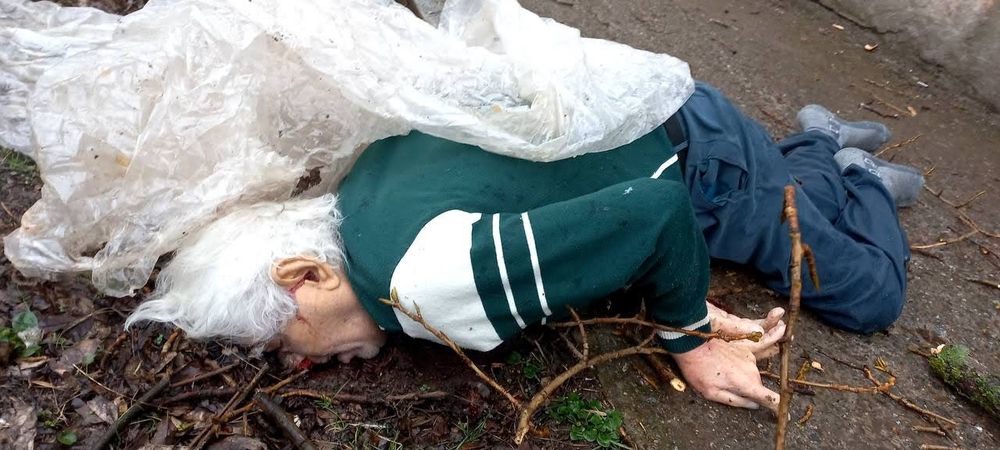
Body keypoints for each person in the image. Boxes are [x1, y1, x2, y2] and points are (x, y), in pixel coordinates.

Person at [124, 82, 923, 412]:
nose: (294, 361)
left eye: (280, 337)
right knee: (779, 198)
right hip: (649, 115)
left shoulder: (419, 287)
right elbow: (543, 218)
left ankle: (851, 173)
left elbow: (656, 213)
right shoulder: (358, 198)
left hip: (695, 157)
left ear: (305, 271)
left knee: (867, 293)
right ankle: (816, 147)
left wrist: (687, 336)